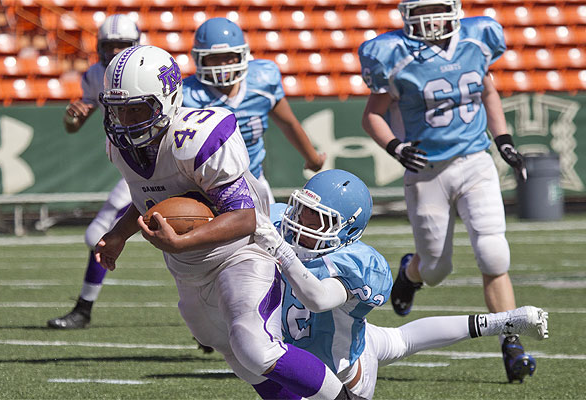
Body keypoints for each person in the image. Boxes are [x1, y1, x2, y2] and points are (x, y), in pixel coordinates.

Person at [94, 44, 360, 400]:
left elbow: (246, 217)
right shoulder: (121, 149)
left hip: (241, 253)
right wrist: (118, 235)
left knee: (256, 347)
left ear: (168, 99)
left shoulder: (196, 138)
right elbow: (148, 200)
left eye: (137, 110)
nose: (125, 123)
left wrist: (183, 241)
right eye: (118, 111)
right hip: (188, 268)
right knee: (239, 358)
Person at [357, 0, 534, 384]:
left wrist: (503, 140)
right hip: (426, 172)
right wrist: (395, 147)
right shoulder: (394, 53)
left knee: (492, 250)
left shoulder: (476, 39)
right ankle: (411, 272)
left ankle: (511, 339)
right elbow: (372, 114)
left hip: (475, 162)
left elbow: (487, 92)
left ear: (453, 9)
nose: (431, 19)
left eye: (436, 9)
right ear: (407, 15)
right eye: (421, 12)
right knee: (436, 269)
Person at [253, 169, 549, 399]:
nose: (299, 222)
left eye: (316, 219)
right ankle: (505, 320)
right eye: (301, 210)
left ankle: (504, 322)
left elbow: (317, 299)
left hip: (343, 372)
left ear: (346, 230)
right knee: (400, 340)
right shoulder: (280, 223)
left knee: (402, 341)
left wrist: (281, 252)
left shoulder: (353, 262)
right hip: (304, 350)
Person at [47, 14, 140, 329]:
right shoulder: (94, 75)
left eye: (121, 46)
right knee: (97, 236)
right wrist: (72, 117)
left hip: (157, 166)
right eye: (109, 46)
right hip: (132, 168)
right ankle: (83, 309)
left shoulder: (146, 70)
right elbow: (76, 123)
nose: (115, 52)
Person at [183, 17, 326, 204]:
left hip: (254, 182)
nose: (222, 65)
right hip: (205, 188)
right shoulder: (187, 95)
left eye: (228, 56)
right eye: (214, 58)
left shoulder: (261, 80)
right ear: (200, 58)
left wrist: (312, 158)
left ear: (241, 55)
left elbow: (287, 122)